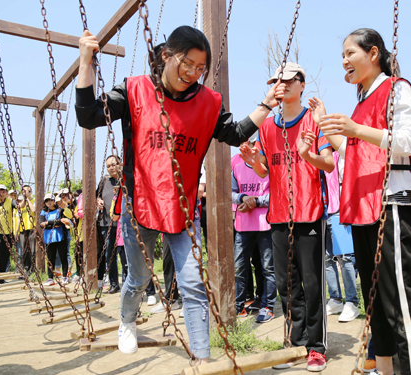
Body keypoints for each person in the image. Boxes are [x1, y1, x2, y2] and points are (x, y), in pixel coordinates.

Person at [76, 25, 283, 359]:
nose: (192, 73)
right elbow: (88, 116)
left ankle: (202, 360)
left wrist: (266, 104)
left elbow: (234, 132)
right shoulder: (136, 90)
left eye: (200, 68)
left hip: (183, 209)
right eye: (187, 63)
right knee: (139, 279)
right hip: (139, 204)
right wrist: (86, 60)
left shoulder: (207, 102)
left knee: (193, 285)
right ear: (166, 56)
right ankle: (127, 321)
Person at [311, 28, 411, 375]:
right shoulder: (362, 101)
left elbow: (408, 141)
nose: (344, 61)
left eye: (350, 53)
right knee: (375, 301)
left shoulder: (397, 88)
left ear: (373, 53)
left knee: (400, 303)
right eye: (342, 56)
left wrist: (356, 129)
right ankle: (387, 369)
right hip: (363, 206)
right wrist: (328, 126)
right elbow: (356, 154)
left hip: (391, 201)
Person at [240, 62, 333, 372]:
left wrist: (308, 156)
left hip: (309, 214)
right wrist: (254, 162)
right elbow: (265, 169)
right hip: (278, 215)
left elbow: (329, 164)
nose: (282, 86)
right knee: (286, 283)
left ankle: (316, 348)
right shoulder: (268, 126)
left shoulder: (313, 121)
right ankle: (295, 343)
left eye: (289, 80)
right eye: (277, 81)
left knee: (312, 282)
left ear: (302, 85)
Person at [232, 135, 276, 323]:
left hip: (266, 224)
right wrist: (243, 198)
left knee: (267, 268)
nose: (251, 149)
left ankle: (268, 306)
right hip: (243, 225)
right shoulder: (236, 168)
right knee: (239, 267)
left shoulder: (269, 170)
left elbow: (275, 194)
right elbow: (231, 193)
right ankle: (238, 305)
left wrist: (255, 201)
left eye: (255, 146)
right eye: (248, 146)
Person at [324, 151, 360, 323]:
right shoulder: (315, 154)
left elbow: (351, 182)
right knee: (326, 259)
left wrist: (348, 210)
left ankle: (352, 301)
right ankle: (335, 299)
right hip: (321, 213)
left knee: (345, 258)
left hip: (340, 211)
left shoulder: (342, 154)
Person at [96, 155, 122, 294]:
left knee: (124, 254)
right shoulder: (104, 181)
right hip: (107, 222)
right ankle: (113, 283)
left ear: (120, 164)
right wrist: (98, 201)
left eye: (113, 164)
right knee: (109, 254)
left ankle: (129, 282)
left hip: (123, 223)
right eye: (108, 166)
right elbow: (97, 196)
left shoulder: (125, 180)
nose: (111, 167)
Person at [39, 194, 72, 285]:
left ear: (54, 201)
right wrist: (53, 223)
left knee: (63, 256)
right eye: (46, 201)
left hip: (60, 236)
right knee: (50, 258)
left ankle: (64, 276)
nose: (49, 202)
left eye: (50, 200)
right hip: (48, 237)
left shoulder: (60, 210)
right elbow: (41, 224)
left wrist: (48, 223)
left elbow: (60, 222)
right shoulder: (43, 212)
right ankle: (50, 278)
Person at [16, 185, 36, 273]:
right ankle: (27, 268)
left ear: (31, 192)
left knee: (33, 250)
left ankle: (34, 269)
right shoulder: (20, 204)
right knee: (25, 250)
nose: (26, 192)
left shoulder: (34, 200)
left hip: (32, 228)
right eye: (23, 191)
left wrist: (27, 199)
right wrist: (16, 232)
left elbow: (34, 209)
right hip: (23, 230)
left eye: (28, 191)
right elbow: (18, 217)